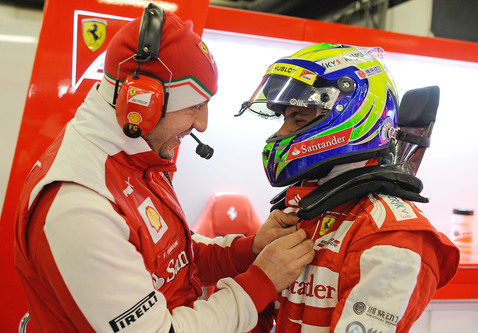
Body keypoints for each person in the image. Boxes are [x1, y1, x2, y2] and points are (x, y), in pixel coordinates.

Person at [13, 5, 314, 332]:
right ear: (141, 103)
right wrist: (261, 282)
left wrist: (251, 248)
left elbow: (172, 257)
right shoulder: (79, 207)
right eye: (195, 108)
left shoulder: (137, 155)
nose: (202, 123)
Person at [238, 43, 460, 332]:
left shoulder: (394, 236)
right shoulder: (303, 209)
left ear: (352, 116)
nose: (281, 133)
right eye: (284, 118)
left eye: (298, 119)